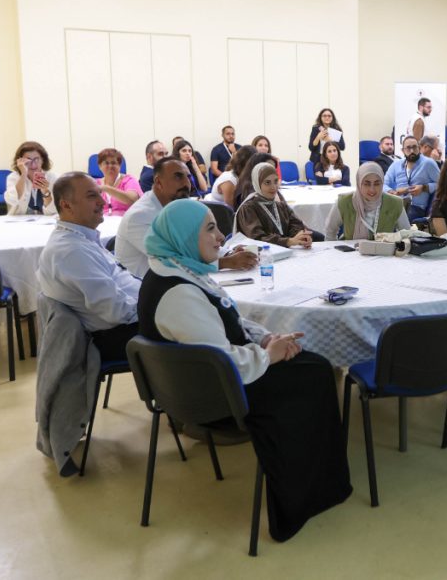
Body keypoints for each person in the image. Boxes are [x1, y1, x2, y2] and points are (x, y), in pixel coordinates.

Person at [137, 199, 352, 541]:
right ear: (184, 236)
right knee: (315, 375)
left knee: (314, 366)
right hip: (216, 393)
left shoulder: (175, 268)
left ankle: (319, 483)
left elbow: (229, 318)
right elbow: (223, 362)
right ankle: (305, 496)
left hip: (210, 379)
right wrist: (268, 355)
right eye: (210, 228)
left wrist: (266, 337)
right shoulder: (178, 294)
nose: (220, 237)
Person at [38, 173, 140, 363]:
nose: (103, 202)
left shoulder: (80, 239)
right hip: (121, 335)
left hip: (127, 322)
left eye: (100, 194)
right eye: (92, 196)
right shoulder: (72, 251)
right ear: (66, 205)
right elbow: (117, 312)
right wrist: (158, 305)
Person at [116, 157, 258, 278]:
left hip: (180, 280)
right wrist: (227, 262)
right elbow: (171, 260)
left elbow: (197, 244)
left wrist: (228, 253)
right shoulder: (139, 216)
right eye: (178, 177)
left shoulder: (177, 207)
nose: (186, 184)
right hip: (144, 288)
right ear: (158, 182)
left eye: (188, 177)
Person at [236, 162, 316, 248]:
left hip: (286, 252)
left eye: (276, 181)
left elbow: (296, 225)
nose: (273, 187)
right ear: (257, 184)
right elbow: (257, 239)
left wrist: (301, 237)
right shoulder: (248, 209)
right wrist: (288, 241)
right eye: (267, 182)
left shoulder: (281, 206)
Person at [324, 162, 409, 240]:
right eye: (367, 184)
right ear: (359, 183)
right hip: (352, 251)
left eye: (377, 184)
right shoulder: (344, 202)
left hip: (384, 251)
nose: (372, 189)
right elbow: (330, 232)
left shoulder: (395, 203)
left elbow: (407, 234)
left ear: (382, 183)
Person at [383, 136, 441, 221]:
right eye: (408, 148)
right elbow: (383, 184)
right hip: (397, 203)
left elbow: (442, 184)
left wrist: (424, 187)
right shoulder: (396, 164)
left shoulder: (428, 163)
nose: (412, 151)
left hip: (416, 207)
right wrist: (392, 192)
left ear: (419, 148)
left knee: (397, 221)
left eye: (414, 147)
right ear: (403, 150)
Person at [6, 141, 58, 216]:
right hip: (19, 220)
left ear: (43, 160)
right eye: (28, 160)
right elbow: (12, 200)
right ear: (20, 161)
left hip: (46, 219)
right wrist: (23, 174)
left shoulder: (52, 178)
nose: (33, 164)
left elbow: (53, 211)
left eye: (36, 159)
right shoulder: (13, 177)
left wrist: (45, 191)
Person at [95, 147, 142, 215]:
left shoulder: (129, 180)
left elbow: (132, 200)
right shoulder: (95, 183)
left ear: (119, 165)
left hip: (126, 219)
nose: (110, 166)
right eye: (106, 163)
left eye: (113, 163)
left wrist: (106, 188)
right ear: (100, 166)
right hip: (102, 220)